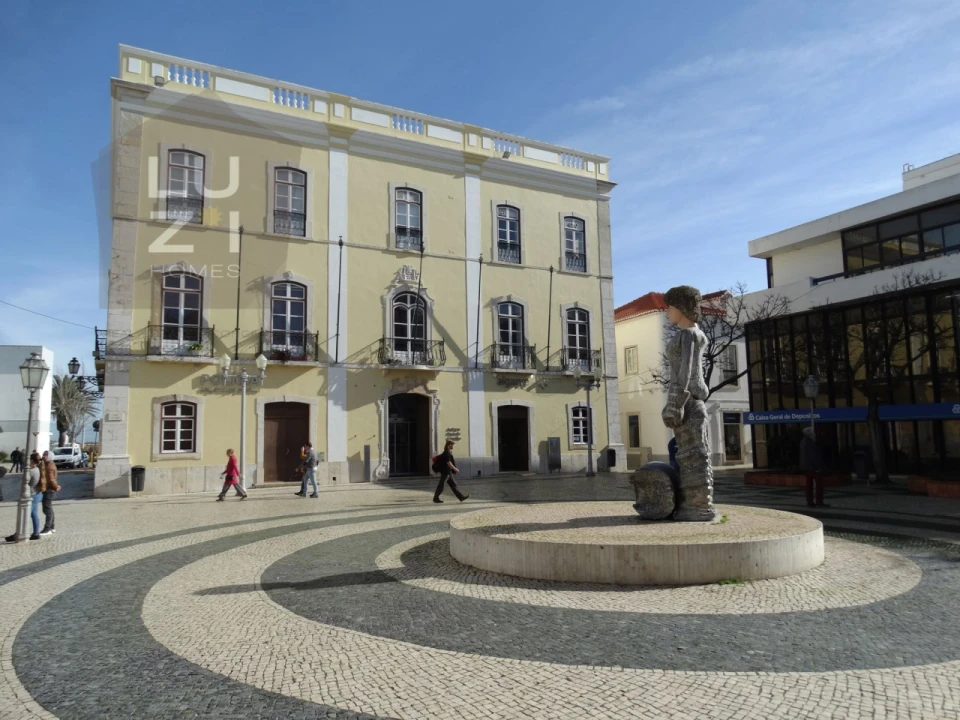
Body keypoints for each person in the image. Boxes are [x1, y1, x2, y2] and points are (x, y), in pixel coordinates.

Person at [4, 453, 42, 543]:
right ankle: (36, 533)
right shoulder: (37, 469)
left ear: (32, 460)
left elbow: (26, 483)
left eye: (28, 459)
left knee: (25, 515)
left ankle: (19, 534)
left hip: (31, 495)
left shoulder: (31, 471)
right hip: (37, 494)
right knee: (34, 514)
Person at [800, 427, 828, 508]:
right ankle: (819, 501)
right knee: (819, 485)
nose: (815, 434)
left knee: (809, 485)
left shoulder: (803, 442)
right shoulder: (810, 443)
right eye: (813, 432)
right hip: (813, 468)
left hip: (806, 467)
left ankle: (810, 501)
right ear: (810, 434)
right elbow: (813, 456)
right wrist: (817, 468)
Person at [39, 451, 60, 535]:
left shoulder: (49, 465)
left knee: (47, 509)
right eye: (43, 454)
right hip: (49, 489)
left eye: (45, 455)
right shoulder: (47, 463)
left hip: (49, 489)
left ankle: (48, 528)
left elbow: (51, 478)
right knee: (49, 508)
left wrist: (56, 486)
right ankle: (52, 526)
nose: (43, 456)